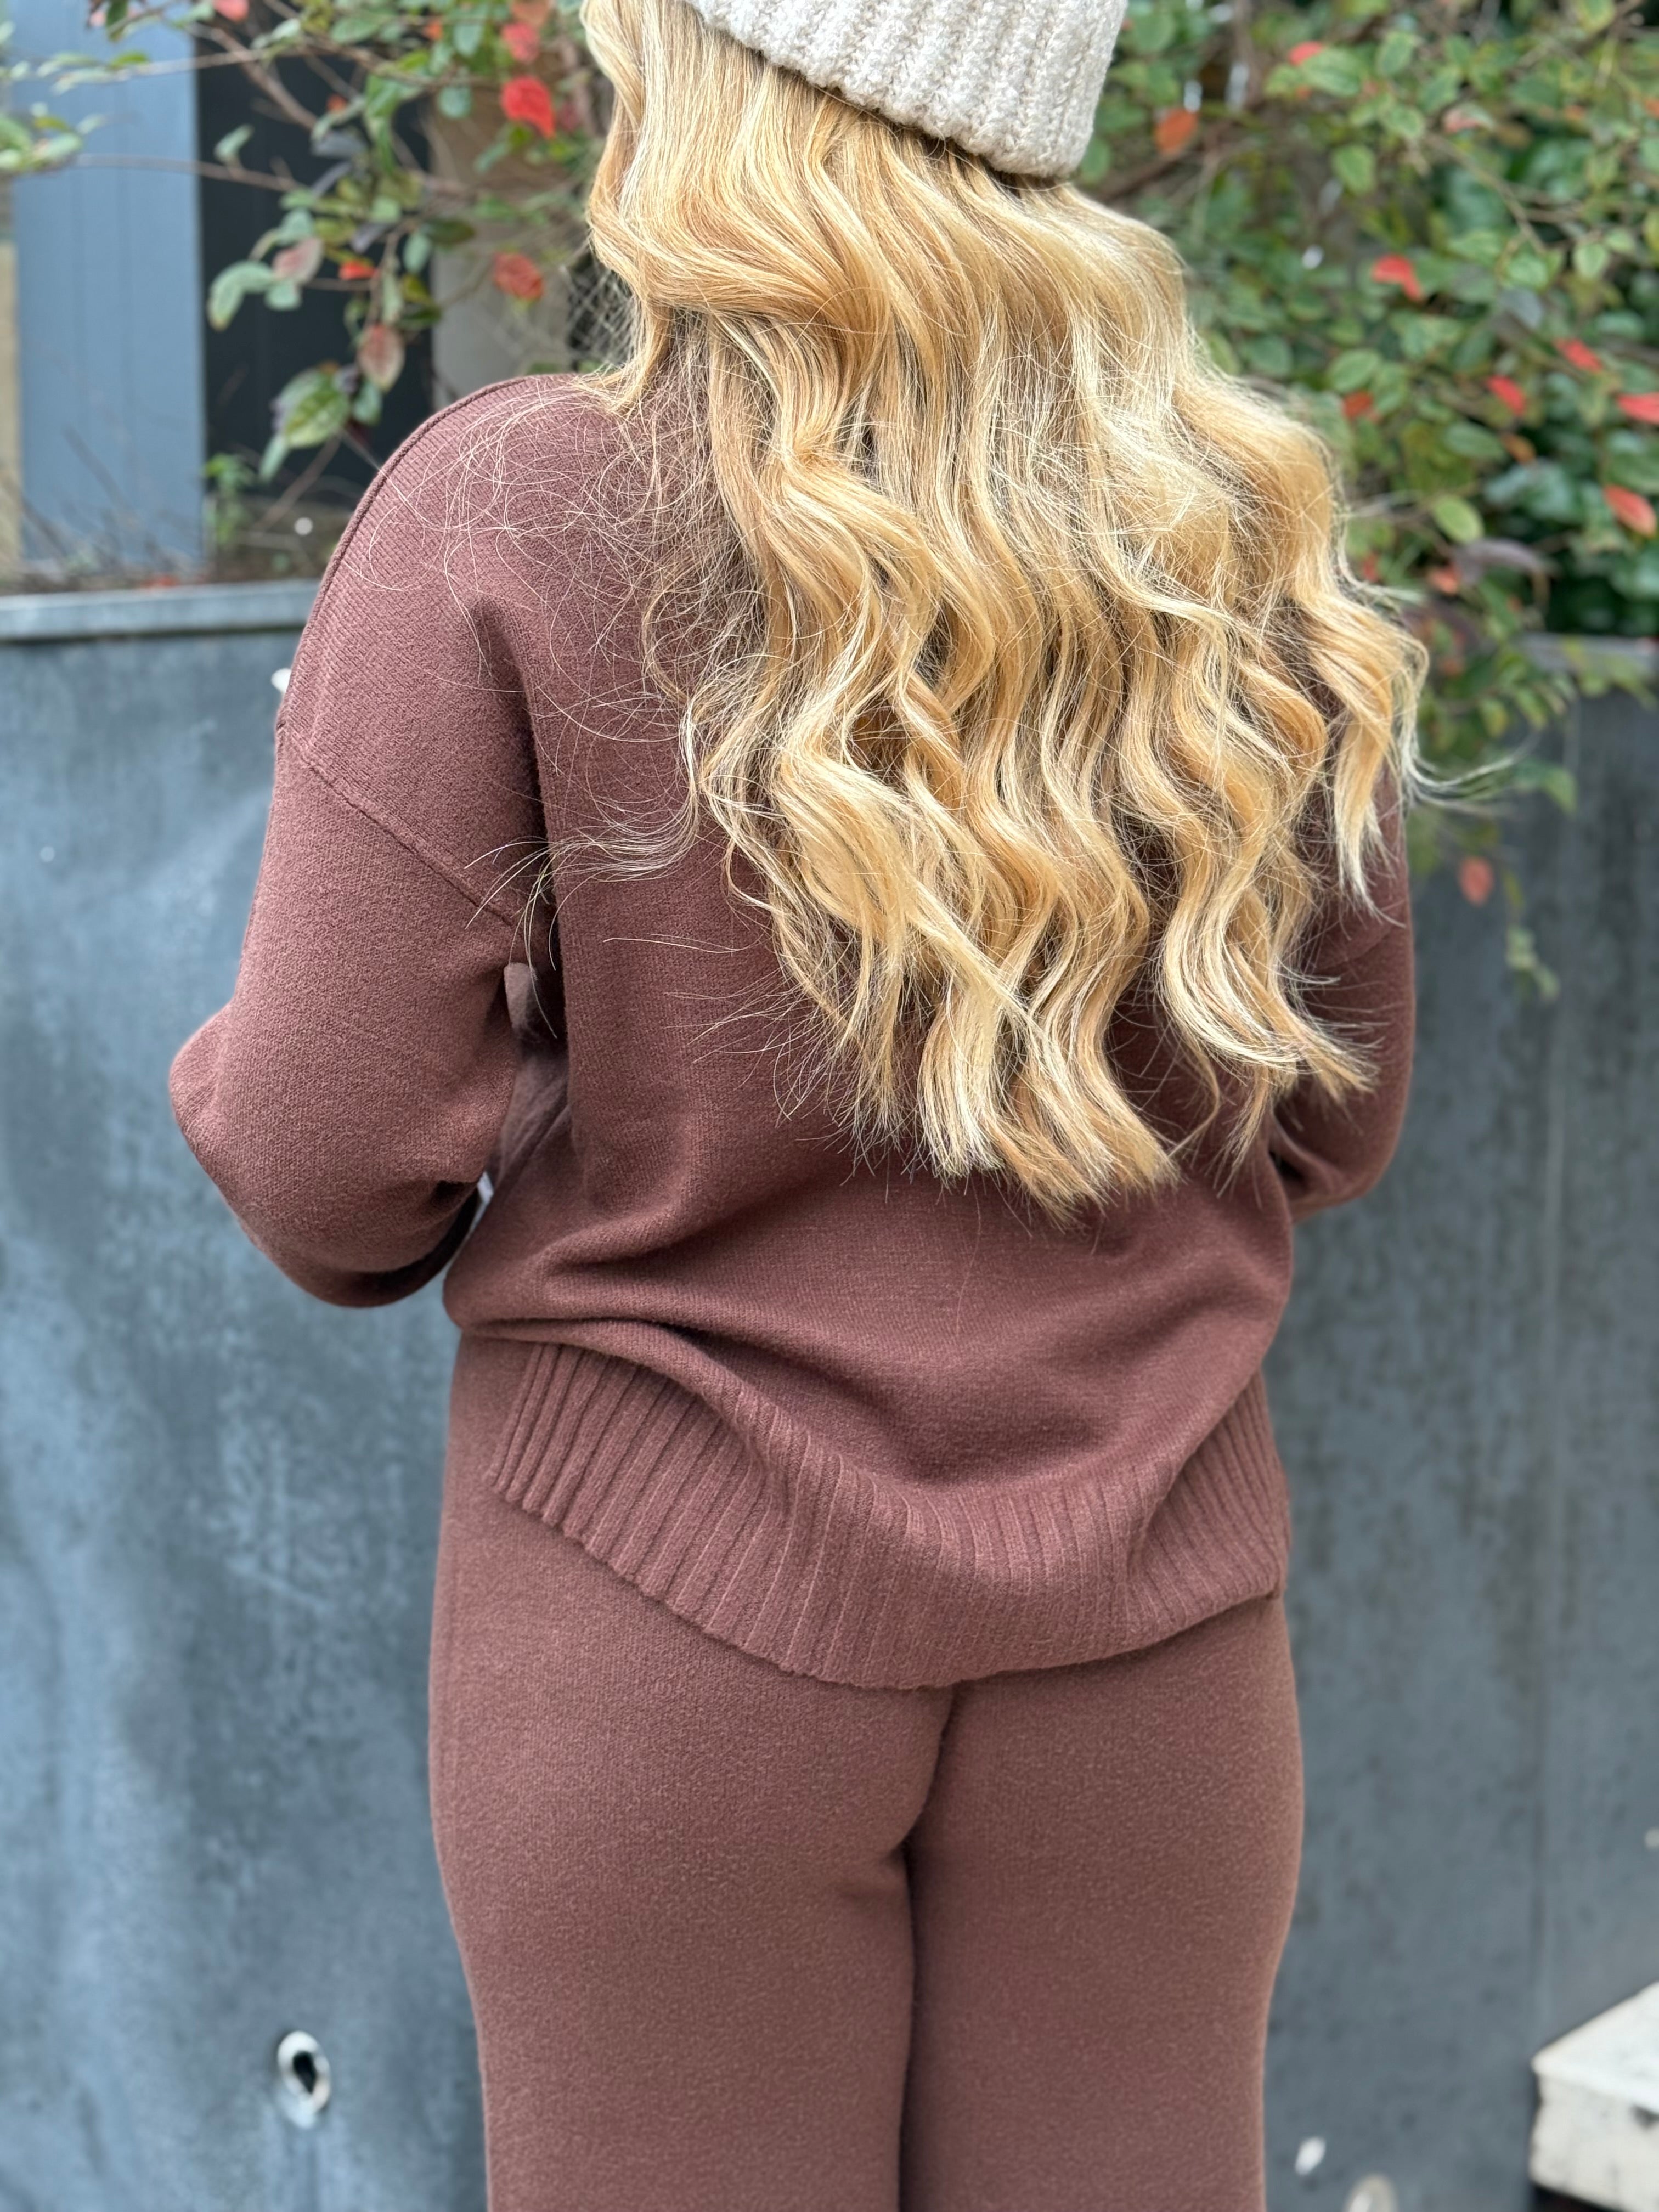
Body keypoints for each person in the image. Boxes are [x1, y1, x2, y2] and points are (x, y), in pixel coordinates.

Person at [170, 0, 1423, 2198]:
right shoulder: (1235, 528)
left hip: (657, 1633)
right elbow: (1329, 1118)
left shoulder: (518, 508)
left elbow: (324, 1168)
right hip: (1157, 1622)